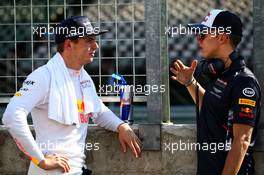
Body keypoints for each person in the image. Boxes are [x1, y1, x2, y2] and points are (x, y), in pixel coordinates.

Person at [2, 16, 141, 175]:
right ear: (68, 44)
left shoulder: (83, 76)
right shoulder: (43, 76)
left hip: (76, 170)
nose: (95, 45)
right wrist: (40, 160)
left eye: (95, 40)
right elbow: (11, 116)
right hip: (51, 171)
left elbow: (98, 110)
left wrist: (121, 126)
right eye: (89, 40)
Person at [170, 9, 261, 175]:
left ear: (222, 37)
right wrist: (190, 82)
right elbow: (212, 109)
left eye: (203, 35)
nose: (198, 40)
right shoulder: (223, 74)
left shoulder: (244, 82)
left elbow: (242, 141)